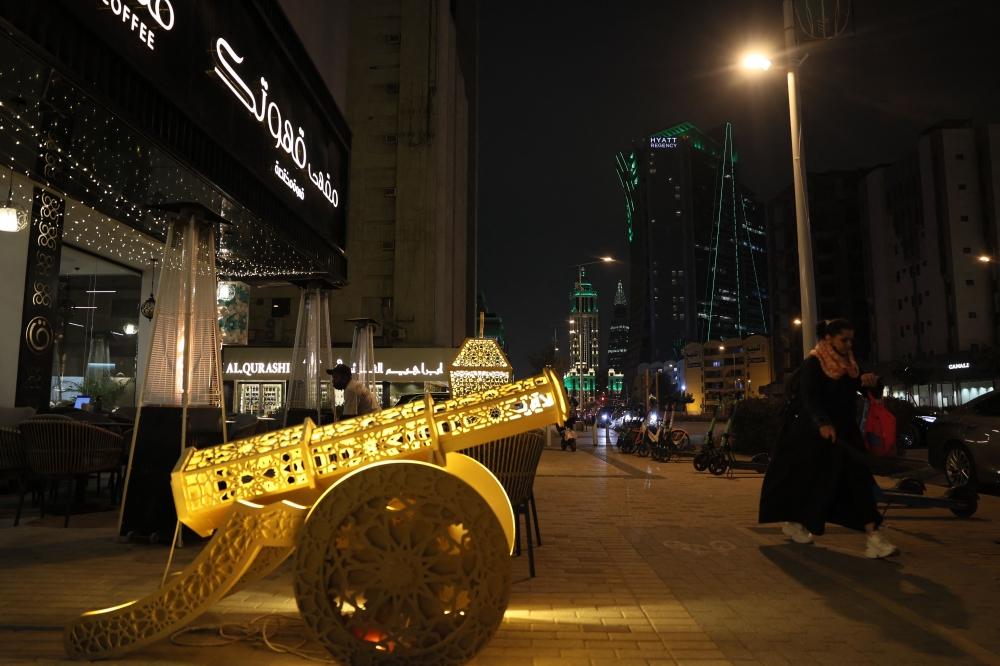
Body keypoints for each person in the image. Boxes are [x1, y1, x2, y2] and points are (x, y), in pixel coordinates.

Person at [758, 319, 899, 559]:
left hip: (844, 436)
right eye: (843, 339)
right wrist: (822, 423)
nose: (848, 344)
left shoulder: (850, 364)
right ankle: (794, 521)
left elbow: (864, 387)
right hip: (812, 434)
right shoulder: (815, 362)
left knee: (859, 481)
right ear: (829, 339)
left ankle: (874, 537)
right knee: (808, 480)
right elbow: (809, 397)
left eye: (851, 339)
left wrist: (872, 383)